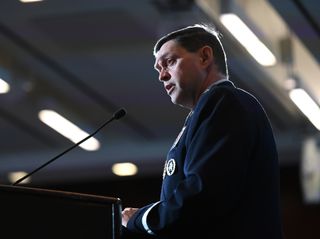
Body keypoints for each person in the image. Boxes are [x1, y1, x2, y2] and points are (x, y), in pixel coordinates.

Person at [121, 23, 283, 239]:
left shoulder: (224, 101)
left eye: (169, 62)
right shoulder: (205, 112)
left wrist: (141, 219)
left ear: (205, 57)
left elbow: (203, 195)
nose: (162, 76)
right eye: (158, 69)